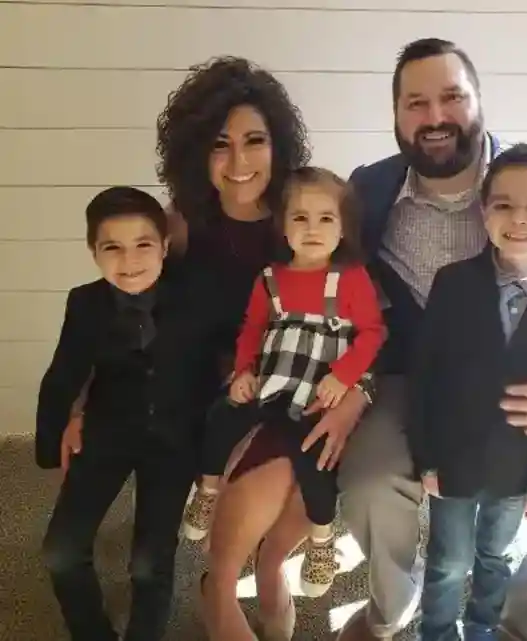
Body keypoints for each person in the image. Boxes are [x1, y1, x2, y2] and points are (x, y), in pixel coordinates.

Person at [334, 38, 527, 641]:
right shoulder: (368, 189)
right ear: (396, 114)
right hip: (420, 376)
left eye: (452, 97)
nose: (435, 116)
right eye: (415, 103)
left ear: (479, 101)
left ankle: (519, 626)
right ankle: (394, 604)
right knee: (369, 483)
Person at [156, 56, 371, 641]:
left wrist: (356, 392)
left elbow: (365, 322)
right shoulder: (178, 226)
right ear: (196, 152)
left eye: (255, 140)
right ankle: (226, 584)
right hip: (217, 394)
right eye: (219, 144)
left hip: (305, 387)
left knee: (306, 457)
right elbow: (129, 319)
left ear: (278, 145)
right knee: (270, 472)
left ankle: (271, 565)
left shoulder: (307, 219)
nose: (239, 162)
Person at [407, 143, 527, 641]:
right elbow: (424, 375)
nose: (520, 219)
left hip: (519, 467)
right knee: (449, 559)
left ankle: (484, 627)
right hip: (454, 460)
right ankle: (437, 631)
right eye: (504, 204)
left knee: (497, 556)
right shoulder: (452, 283)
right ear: (483, 211)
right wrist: (425, 458)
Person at [184, 166, 386, 598]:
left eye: (326, 218)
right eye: (300, 218)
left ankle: (321, 537)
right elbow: (252, 329)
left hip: (317, 392)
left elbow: (372, 333)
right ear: (283, 226)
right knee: (221, 416)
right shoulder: (270, 279)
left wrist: (344, 376)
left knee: (315, 454)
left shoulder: (351, 278)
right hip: (272, 381)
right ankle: (208, 488)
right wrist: (243, 371)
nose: (312, 229)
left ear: (343, 228)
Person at [36, 186, 225, 641]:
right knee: (60, 550)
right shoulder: (84, 302)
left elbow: (218, 369)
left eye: (143, 244)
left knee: (148, 562)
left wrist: (215, 454)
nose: (130, 260)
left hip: (175, 438)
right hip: (108, 427)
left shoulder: (198, 296)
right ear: (93, 252)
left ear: (164, 246)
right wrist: (52, 442)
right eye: (112, 248)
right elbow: (63, 373)